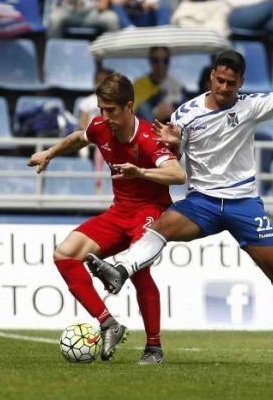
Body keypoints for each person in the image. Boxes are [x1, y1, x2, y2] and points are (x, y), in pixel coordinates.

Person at [85, 50, 273, 366]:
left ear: (241, 82)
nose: (224, 87)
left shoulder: (251, 106)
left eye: (231, 83)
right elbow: (174, 160)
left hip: (243, 204)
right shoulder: (186, 113)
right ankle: (120, 270)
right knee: (160, 228)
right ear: (212, 76)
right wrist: (173, 144)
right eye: (220, 80)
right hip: (203, 202)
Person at [27, 73, 186, 364]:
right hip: (119, 213)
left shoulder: (148, 137)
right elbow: (79, 138)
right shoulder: (101, 127)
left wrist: (140, 172)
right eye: (102, 109)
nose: (105, 116)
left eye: (111, 110)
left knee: (138, 270)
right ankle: (108, 323)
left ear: (129, 106)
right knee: (65, 255)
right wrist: (50, 153)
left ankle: (154, 347)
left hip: (150, 212)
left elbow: (177, 174)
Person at [46, 0, 120, 39]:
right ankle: (56, 50)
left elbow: (104, 2)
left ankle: (111, 51)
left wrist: (96, 4)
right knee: (54, 19)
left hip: (92, 12)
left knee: (111, 19)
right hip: (69, 11)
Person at [132, 47, 184, 123]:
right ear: (150, 61)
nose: (161, 65)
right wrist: (156, 116)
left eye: (165, 60)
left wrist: (173, 111)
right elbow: (133, 112)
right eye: (156, 60)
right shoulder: (138, 86)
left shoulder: (177, 85)